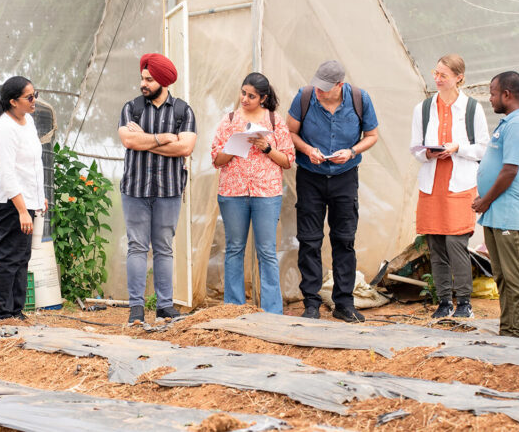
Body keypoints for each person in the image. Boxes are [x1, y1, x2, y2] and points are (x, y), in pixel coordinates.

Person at [286, 60, 379, 322]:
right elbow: (289, 132)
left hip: (344, 178)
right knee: (309, 240)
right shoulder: (304, 97)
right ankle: (311, 303)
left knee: (344, 240)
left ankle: (344, 303)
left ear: (340, 85)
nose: (318, 91)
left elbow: (372, 135)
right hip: (310, 177)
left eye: (324, 88)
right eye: (316, 86)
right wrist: (308, 150)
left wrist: (351, 152)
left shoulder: (360, 99)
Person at [118, 54, 197, 325]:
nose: (143, 83)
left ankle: (165, 307)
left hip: (169, 190)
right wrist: (163, 138)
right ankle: (136, 310)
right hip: (135, 189)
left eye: (149, 79)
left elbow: (185, 147)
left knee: (164, 248)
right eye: (142, 78)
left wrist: (145, 140)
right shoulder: (131, 108)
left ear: (162, 81)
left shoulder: (183, 111)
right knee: (137, 247)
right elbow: (128, 140)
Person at [410, 55, 489, 319]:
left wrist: (458, 148)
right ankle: (444, 302)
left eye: (443, 75)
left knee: (456, 243)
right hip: (432, 185)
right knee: (436, 245)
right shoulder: (423, 108)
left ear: (459, 78)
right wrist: (428, 154)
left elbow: (483, 147)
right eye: (436, 73)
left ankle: (464, 302)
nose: (438, 78)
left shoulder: (472, 109)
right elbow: (415, 147)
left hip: (460, 185)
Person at [211, 73, 296, 315]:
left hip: (266, 193)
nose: (245, 99)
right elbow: (216, 159)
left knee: (267, 250)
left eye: (251, 96)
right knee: (235, 248)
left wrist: (266, 148)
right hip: (233, 192)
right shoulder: (228, 120)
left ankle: (272, 312)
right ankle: (233, 309)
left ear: (263, 98)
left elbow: (288, 160)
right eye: (243, 93)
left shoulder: (275, 121)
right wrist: (235, 146)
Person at [0, 76, 47, 321]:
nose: (34, 100)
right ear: (13, 102)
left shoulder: (27, 122)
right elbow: (6, 174)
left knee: (22, 255)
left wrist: (40, 197)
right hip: (10, 201)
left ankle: (16, 309)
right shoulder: (4, 129)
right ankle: (2, 312)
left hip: (27, 199)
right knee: (10, 255)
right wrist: (21, 210)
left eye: (34, 94)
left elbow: (33, 163)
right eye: (29, 97)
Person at [472, 71, 519, 339]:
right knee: (501, 277)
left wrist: (485, 200)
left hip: (507, 212)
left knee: (515, 276)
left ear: (507, 95)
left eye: (493, 93)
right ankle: (507, 329)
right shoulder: (508, 123)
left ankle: (518, 333)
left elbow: (510, 171)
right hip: (494, 213)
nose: (491, 98)